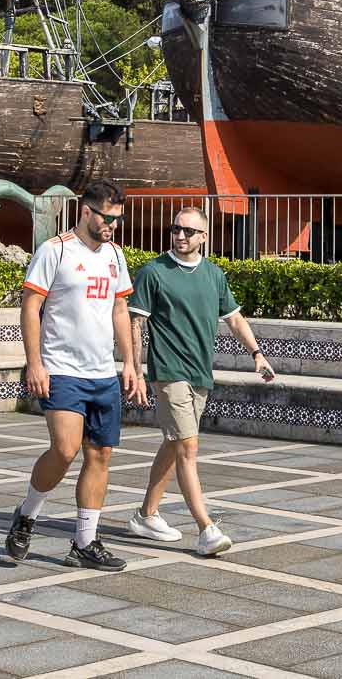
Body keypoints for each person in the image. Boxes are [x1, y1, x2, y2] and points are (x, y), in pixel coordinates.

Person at [2, 180, 141, 572]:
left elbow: (119, 310)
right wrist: (34, 362)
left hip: (102, 372)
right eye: (107, 217)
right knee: (65, 449)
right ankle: (27, 514)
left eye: (118, 219)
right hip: (62, 369)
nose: (112, 225)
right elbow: (31, 308)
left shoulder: (115, 255)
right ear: (86, 210)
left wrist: (129, 362)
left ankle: (84, 542)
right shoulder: (56, 250)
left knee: (100, 455)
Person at [125, 207, 275, 557]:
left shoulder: (213, 275)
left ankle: (146, 515)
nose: (180, 235)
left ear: (203, 237)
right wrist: (135, 368)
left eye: (189, 231)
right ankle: (206, 529)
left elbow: (235, 319)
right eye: (176, 229)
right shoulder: (154, 272)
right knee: (188, 449)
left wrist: (257, 353)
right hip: (169, 372)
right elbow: (135, 323)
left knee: (174, 443)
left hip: (199, 373)